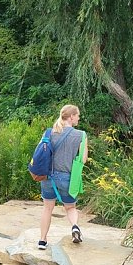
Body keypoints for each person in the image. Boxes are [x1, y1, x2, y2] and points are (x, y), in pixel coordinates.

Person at [37, 105, 88, 250]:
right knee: (70, 207)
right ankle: (75, 227)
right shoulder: (81, 135)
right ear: (71, 117)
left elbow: (40, 153)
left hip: (48, 177)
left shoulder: (48, 133)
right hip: (67, 178)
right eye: (77, 115)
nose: (79, 118)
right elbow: (83, 159)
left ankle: (42, 240)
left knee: (47, 208)